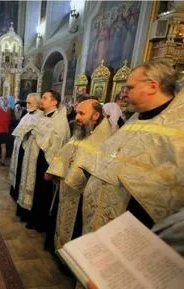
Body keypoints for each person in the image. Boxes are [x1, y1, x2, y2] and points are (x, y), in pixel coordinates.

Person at [79, 59, 184, 235]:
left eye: (129, 87)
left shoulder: (178, 126)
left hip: (136, 223)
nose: (123, 93)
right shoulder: (138, 117)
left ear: (152, 86)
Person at [46, 99, 112, 251]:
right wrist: (55, 171)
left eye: (82, 113)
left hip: (80, 194)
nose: (76, 117)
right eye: (76, 112)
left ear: (95, 116)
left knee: (74, 226)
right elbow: (66, 152)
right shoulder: (82, 132)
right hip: (66, 187)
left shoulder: (103, 139)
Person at [17, 90, 70, 231]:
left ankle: (40, 222)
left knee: (44, 192)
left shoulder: (60, 121)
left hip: (48, 160)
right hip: (38, 157)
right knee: (37, 189)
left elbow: (59, 146)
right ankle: (34, 218)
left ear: (54, 102)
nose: (42, 100)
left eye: (45, 98)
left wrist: (51, 168)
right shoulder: (45, 117)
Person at [9, 93, 44, 202]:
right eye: (27, 102)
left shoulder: (41, 116)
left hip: (29, 150)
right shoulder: (28, 114)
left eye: (29, 102)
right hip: (20, 147)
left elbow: (40, 133)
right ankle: (16, 192)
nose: (27, 104)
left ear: (37, 103)